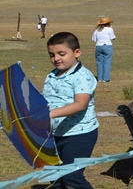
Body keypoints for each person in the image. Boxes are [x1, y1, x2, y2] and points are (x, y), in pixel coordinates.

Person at [44, 32, 99, 188]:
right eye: (52, 55)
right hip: (55, 134)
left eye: (62, 54)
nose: (56, 59)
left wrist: (49, 115)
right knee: (54, 178)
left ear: (77, 52)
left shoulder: (82, 76)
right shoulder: (52, 75)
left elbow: (80, 104)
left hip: (79, 135)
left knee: (72, 177)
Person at [91, 17, 116, 83]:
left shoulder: (97, 30)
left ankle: (99, 78)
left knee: (99, 63)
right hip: (107, 45)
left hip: (98, 46)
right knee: (107, 62)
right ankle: (106, 78)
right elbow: (113, 37)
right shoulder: (109, 29)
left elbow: (93, 39)